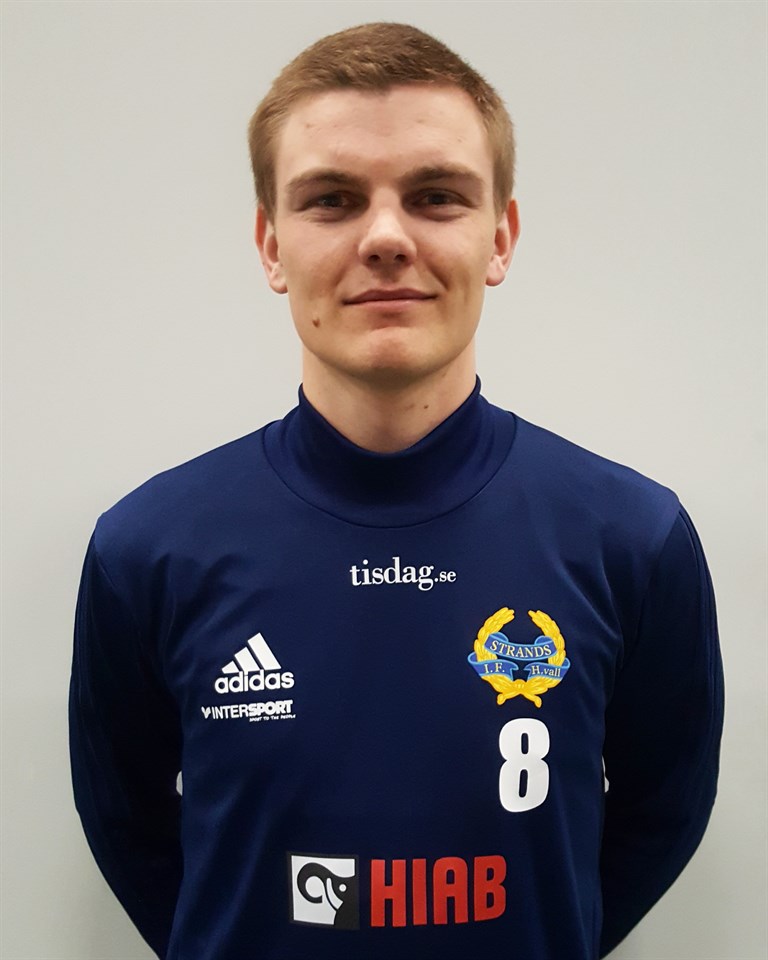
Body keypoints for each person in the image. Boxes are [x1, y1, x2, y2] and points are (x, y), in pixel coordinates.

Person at [69, 22, 724, 960]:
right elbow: (126, 822)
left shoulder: (633, 538)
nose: (385, 238)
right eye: (332, 199)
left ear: (499, 236)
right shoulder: (147, 550)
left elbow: (663, 811)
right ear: (271, 244)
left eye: (435, 196)